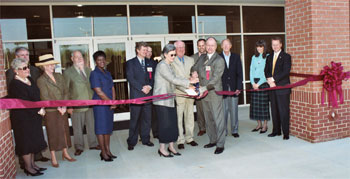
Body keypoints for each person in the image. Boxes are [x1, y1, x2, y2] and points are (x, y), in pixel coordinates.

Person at [5, 47, 49, 166]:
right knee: (25, 142)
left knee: (33, 140)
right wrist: (37, 109)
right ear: (16, 70)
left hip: (34, 115)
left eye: (27, 55)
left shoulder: (31, 75)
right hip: (23, 116)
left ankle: (34, 164)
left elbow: (36, 93)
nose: (27, 69)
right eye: (23, 68)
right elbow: (19, 99)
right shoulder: (13, 79)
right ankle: (27, 166)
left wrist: (41, 107)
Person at [153, 43, 199, 157]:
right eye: (171, 55)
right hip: (162, 101)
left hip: (170, 99)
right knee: (164, 125)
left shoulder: (169, 65)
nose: (173, 57)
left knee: (172, 124)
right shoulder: (162, 65)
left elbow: (176, 82)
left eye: (174, 54)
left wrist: (189, 88)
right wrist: (189, 82)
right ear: (165, 55)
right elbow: (173, 79)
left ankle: (171, 146)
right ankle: (162, 148)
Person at [36, 54, 76, 168]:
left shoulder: (59, 76)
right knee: (53, 133)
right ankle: (53, 156)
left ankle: (65, 153)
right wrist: (58, 107)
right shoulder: (41, 80)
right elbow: (45, 97)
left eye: (53, 64)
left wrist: (64, 106)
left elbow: (66, 92)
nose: (53, 66)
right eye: (50, 64)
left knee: (64, 131)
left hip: (62, 109)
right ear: (44, 66)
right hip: (51, 111)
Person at [191, 37, 226, 154]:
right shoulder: (202, 58)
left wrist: (204, 88)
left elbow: (215, 79)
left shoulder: (219, 60)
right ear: (205, 46)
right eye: (208, 45)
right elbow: (194, 67)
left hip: (214, 93)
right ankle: (213, 140)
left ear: (216, 47)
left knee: (218, 119)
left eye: (212, 45)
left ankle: (220, 144)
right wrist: (194, 72)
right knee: (208, 119)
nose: (210, 47)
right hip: (204, 94)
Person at [63, 51, 100, 156]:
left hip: (91, 104)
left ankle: (93, 144)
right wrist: (69, 106)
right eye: (76, 57)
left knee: (91, 125)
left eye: (81, 57)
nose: (79, 59)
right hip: (76, 106)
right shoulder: (68, 73)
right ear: (72, 59)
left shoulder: (89, 70)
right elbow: (66, 90)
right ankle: (79, 147)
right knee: (77, 128)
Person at [126, 42, 154, 151]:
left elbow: (153, 78)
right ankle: (132, 141)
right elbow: (131, 78)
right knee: (135, 120)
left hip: (148, 95)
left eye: (146, 50)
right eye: (143, 49)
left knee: (147, 119)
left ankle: (145, 139)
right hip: (137, 95)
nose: (146, 51)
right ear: (137, 50)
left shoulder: (150, 63)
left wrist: (150, 87)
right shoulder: (130, 63)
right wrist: (142, 88)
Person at [90, 50, 117, 161]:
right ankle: (103, 152)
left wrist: (114, 102)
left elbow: (112, 87)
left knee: (108, 128)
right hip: (100, 105)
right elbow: (98, 91)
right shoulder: (94, 73)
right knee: (101, 129)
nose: (101, 62)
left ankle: (108, 150)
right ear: (95, 61)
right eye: (99, 60)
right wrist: (110, 102)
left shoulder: (108, 73)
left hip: (109, 104)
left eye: (103, 59)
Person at [172, 40, 198, 150]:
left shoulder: (191, 60)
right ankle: (180, 139)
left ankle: (189, 138)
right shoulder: (171, 60)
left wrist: (194, 78)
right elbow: (174, 79)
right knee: (179, 117)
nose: (181, 49)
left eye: (182, 47)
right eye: (178, 47)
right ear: (174, 49)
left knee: (190, 116)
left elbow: (194, 74)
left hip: (191, 93)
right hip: (179, 92)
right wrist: (186, 86)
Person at [265, 37, 292, 140]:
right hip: (271, 88)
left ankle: (286, 133)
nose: (275, 47)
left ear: (281, 45)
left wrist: (273, 80)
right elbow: (266, 70)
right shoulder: (269, 57)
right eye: (273, 45)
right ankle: (276, 131)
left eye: (277, 44)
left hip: (282, 88)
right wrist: (269, 80)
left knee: (284, 111)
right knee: (274, 110)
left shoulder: (286, 57)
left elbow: (285, 71)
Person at [219, 39, 243, 138]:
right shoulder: (218, 57)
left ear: (231, 46)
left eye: (227, 44)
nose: (226, 46)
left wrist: (239, 87)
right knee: (223, 112)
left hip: (234, 88)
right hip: (222, 88)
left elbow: (239, 74)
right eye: (224, 45)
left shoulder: (236, 57)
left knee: (234, 110)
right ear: (221, 46)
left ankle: (234, 130)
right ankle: (224, 131)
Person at [250, 40, 270, 133]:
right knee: (255, 105)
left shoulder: (268, 57)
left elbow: (267, 72)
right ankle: (259, 124)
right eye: (257, 46)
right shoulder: (254, 57)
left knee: (263, 105)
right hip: (254, 83)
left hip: (263, 83)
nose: (259, 48)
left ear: (264, 47)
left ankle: (265, 125)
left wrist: (259, 83)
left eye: (261, 46)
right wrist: (253, 83)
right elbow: (251, 70)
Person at [191, 39, 206, 136]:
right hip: (197, 87)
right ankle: (202, 128)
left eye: (203, 45)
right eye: (199, 45)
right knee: (200, 109)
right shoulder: (193, 57)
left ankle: (211, 127)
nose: (201, 47)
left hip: (207, 86)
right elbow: (190, 70)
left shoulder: (210, 56)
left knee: (209, 109)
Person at [145, 46, 159, 139]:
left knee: (154, 114)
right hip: (144, 92)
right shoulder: (141, 63)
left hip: (153, 91)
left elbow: (156, 76)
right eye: (147, 51)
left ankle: (156, 133)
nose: (149, 53)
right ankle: (144, 135)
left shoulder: (155, 63)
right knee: (144, 116)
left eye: (151, 51)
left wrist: (151, 86)